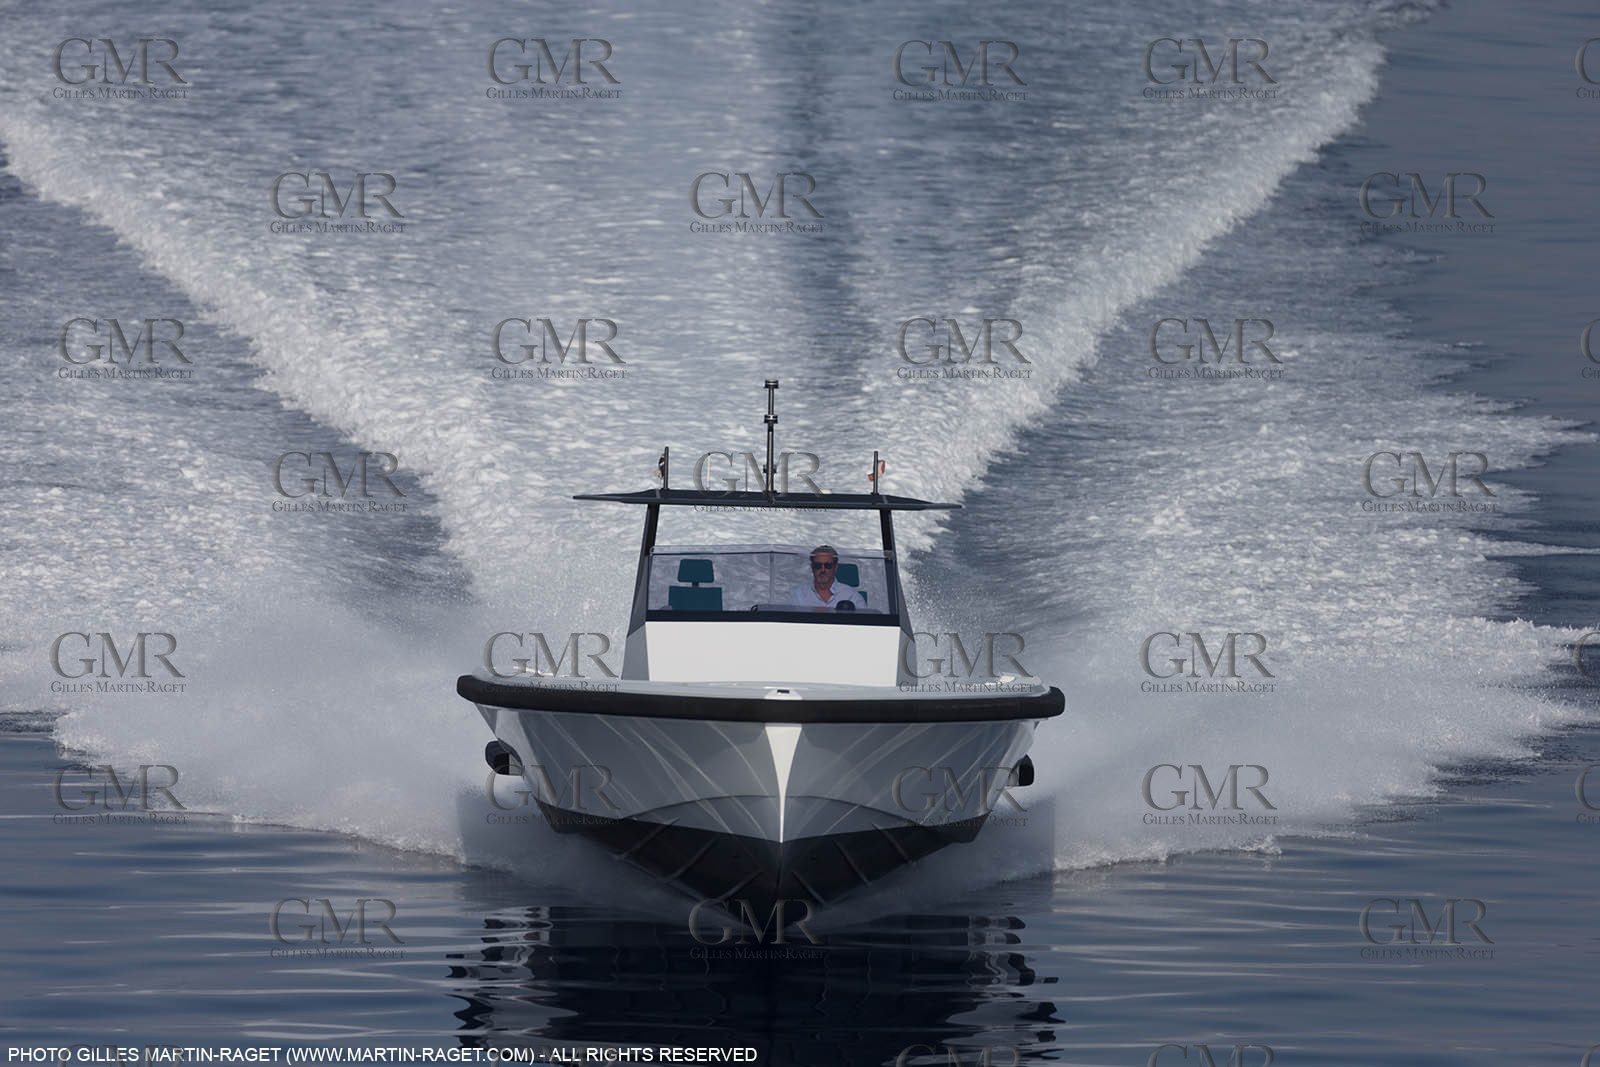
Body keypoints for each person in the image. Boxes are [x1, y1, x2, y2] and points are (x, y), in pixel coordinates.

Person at [789, 545, 866, 610]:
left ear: (835, 567)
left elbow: (864, 624)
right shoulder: (800, 594)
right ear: (812, 568)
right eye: (818, 566)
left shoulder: (851, 596)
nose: (823, 570)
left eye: (828, 566)